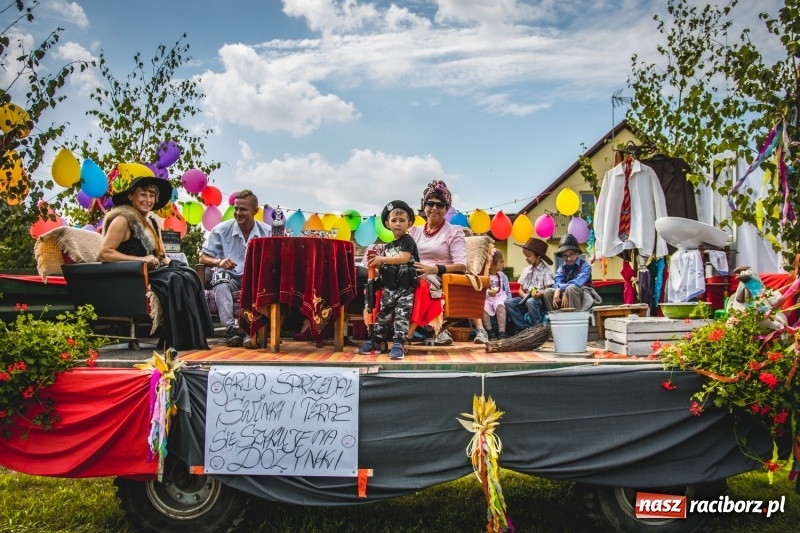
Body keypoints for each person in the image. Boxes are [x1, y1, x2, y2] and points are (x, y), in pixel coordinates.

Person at [99, 176, 213, 351]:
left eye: (152, 196)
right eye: (143, 195)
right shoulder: (122, 220)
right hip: (133, 276)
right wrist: (141, 260)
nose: (148, 200)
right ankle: (175, 340)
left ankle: (194, 336)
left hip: (154, 270)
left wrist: (174, 263)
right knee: (174, 279)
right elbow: (104, 253)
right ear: (131, 196)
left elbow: (162, 256)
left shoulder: (152, 222)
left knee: (188, 274)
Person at [408, 180, 490, 345]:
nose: (434, 208)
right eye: (430, 203)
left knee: (422, 285)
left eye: (440, 205)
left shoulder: (453, 232)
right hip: (414, 273)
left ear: (447, 208)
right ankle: (387, 331)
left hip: (440, 276)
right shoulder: (414, 231)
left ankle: (415, 332)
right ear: (424, 206)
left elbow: (461, 266)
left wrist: (434, 269)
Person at [199, 190, 272, 346]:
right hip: (230, 276)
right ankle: (231, 329)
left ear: (255, 211)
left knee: (257, 281)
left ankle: (249, 329)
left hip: (253, 278)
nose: (238, 213)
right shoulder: (221, 229)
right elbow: (202, 257)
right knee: (220, 278)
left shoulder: (267, 232)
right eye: (236, 208)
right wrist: (219, 262)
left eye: (243, 209)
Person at [358, 200, 419, 360]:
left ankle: (398, 344)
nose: (398, 224)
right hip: (389, 287)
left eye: (402, 220)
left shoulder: (408, 241)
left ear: (409, 223)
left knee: (402, 314)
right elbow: (386, 266)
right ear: (387, 223)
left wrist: (382, 259)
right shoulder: (388, 246)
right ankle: (376, 341)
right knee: (382, 314)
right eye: (394, 220)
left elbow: (404, 258)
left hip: (405, 287)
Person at [541, 233, 602, 312]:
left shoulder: (585, 266)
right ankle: (556, 319)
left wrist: (563, 290)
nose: (569, 258)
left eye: (571, 254)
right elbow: (556, 283)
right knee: (548, 291)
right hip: (565, 294)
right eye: (565, 256)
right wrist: (558, 290)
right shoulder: (561, 268)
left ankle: (575, 319)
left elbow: (577, 283)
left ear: (577, 253)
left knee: (571, 288)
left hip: (581, 295)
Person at [505, 237, 555, 332]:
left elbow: (548, 290)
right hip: (525, 297)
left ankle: (538, 329)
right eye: (525, 256)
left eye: (529, 256)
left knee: (531, 302)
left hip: (538, 300)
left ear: (538, 256)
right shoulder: (526, 270)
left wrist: (539, 294)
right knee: (509, 303)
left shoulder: (546, 271)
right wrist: (524, 296)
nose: (526, 259)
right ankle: (524, 328)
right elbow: (520, 289)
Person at [482, 248, 511, 340]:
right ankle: (490, 331)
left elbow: (507, 290)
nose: (503, 264)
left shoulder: (502, 276)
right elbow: (481, 290)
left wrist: (509, 301)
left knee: (500, 306)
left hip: (500, 296)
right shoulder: (484, 276)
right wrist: (488, 293)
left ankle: (502, 331)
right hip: (487, 298)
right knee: (483, 308)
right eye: (501, 261)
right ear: (493, 265)